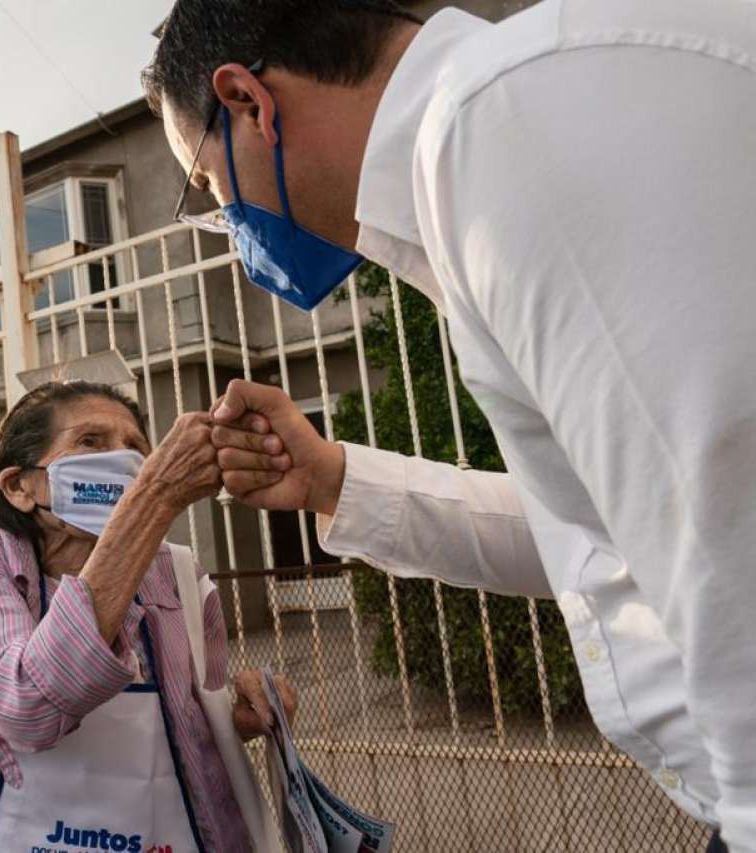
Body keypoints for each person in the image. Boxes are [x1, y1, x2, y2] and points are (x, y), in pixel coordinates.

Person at [144, 1, 756, 851]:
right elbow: (607, 534)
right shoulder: (489, 142)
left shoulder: (500, 124)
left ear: (249, 101)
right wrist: (332, 479)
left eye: (209, 187)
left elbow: (729, 542)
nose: (230, 226)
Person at [0, 381, 295, 853]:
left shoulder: (179, 574)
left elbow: (189, 723)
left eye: (136, 448)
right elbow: (20, 709)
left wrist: (238, 717)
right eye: (90, 442)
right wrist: (155, 497)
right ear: (20, 486)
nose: (123, 461)